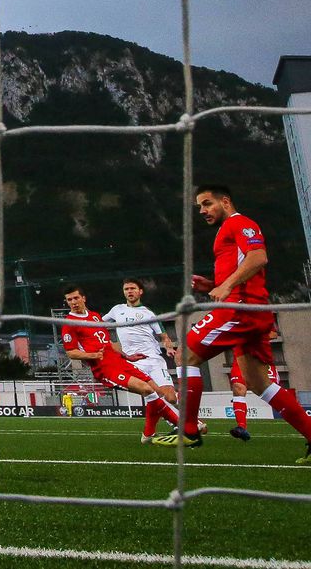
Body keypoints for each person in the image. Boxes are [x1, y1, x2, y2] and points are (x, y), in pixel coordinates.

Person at [154, 185, 311, 463]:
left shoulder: (241, 223)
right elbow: (244, 267)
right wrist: (214, 285)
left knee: (186, 353)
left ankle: (189, 430)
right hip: (249, 308)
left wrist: (226, 286)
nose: (202, 211)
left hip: (239, 309)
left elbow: (259, 257)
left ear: (225, 201)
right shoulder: (227, 231)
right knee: (259, 383)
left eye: (207, 204)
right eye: (199, 207)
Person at [60, 285, 183, 437]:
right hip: (105, 369)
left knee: (156, 390)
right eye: (69, 300)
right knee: (146, 389)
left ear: (83, 298)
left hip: (120, 361)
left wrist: (127, 356)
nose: (73, 302)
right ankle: (183, 425)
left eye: (76, 298)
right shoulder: (69, 324)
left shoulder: (95, 316)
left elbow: (109, 343)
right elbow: (71, 352)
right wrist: (92, 356)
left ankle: (150, 434)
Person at [101, 278, 182, 443]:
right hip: (134, 362)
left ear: (140, 292)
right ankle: (176, 423)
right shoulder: (117, 310)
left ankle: (153, 432)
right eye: (126, 289)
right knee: (153, 393)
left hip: (154, 359)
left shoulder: (148, 313)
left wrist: (168, 347)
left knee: (170, 397)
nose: (129, 291)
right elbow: (98, 324)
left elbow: (164, 336)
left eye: (132, 288)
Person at [226, 333, 281, 442]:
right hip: (240, 359)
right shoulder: (230, 318)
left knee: (272, 393)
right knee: (238, 388)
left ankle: (305, 426)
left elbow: (273, 334)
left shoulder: (259, 316)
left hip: (260, 359)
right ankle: (241, 427)